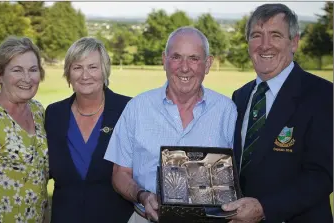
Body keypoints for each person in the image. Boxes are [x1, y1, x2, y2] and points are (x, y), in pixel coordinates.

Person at [104, 26, 237, 223]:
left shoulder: (227, 111)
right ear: (164, 61)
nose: (184, 67)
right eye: (176, 57)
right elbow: (120, 173)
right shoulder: (137, 108)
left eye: (194, 58)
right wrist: (143, 195)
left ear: (207, 64)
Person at [222, 3, 333, 223]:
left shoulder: (323, 95)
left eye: (275, 35)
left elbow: (322, 175)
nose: (265, 45)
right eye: (256, 35)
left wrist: (265, 209)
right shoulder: (240, 96)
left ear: (294, 42)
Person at [44, 37, 133, 222]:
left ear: (105, 70)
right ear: (68, 73)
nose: (85, 75)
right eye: (77, 67)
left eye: (93, 67)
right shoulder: (54, 114)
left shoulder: (128, 109)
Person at [0, 36, 49, 222]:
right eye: (17, 70)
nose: (27, 78)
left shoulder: (37, 110)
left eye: (33, 70)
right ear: (0, 75)